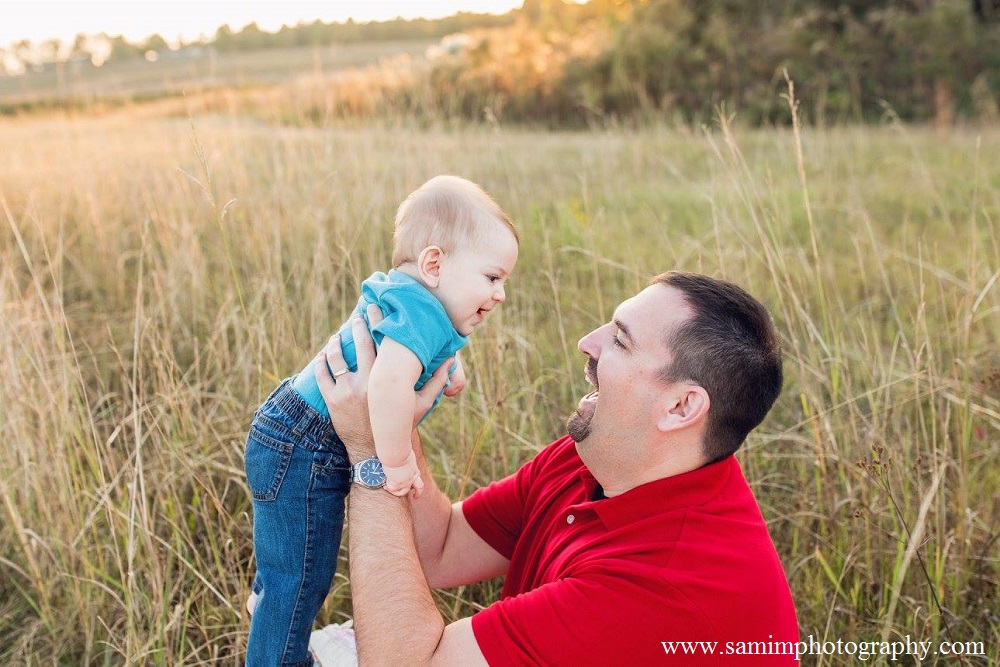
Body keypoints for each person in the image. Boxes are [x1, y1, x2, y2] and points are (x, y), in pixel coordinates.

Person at [314, 271, 799, 665]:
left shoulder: (665, 587)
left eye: (621, 342)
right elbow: (440, 547)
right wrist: (394, 415)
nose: (587, 342)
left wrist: (372, 453)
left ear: (680, 407)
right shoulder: (598, 455)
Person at [243, 175, 519, 666]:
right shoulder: (425, 314)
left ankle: (271, 611)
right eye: (492, 278)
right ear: (434, 264)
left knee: (296, 568)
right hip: (305, 444)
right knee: (302, 575)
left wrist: (446, 366)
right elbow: (387, 386)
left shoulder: (418, 303)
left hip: (293, 433)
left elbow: (407, 353)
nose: (499, 295)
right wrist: (393, 466)